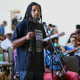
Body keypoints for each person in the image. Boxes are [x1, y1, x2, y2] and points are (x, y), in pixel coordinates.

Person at [12, 2, 46, 80]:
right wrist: (25, 38)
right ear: (29, 12)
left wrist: (49, 41)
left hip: (39, 66)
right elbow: (13, 44)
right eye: (34, 10)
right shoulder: (21, 25)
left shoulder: (41, 26)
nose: (37, 12)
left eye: (38, 10)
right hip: (26, 66)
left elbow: (43, 45)